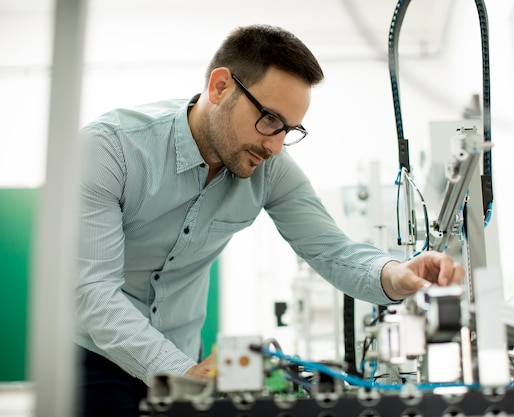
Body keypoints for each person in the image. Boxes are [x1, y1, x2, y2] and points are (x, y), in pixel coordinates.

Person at [75, 24, 465, 417]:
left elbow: (332, 251)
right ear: (220, 87)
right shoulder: (110, 149)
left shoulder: (271, 167)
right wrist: (182, 372)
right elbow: (94, 291)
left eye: (289, 130)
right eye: (268, 119)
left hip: (183, 354)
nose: (275, 145)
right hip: (95, 355)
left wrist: (395, 274)